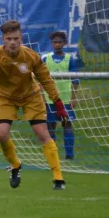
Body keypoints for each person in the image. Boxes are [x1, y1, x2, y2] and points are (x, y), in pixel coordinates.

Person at [0, 20, 69, 190]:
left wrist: (58, 103)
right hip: (5, 98)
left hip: (30, 96)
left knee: (42, 134)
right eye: (9, 38)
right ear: (3, 38)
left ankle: (58, 179)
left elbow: (46, 80)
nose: (12, 42)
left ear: (21, 38)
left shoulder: (31, 56)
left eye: (16, 38)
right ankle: (15, 165)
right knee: (1, 135)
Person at [41, 31, 80, 160]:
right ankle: (52, 153)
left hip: (65, 99)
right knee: (50, 125)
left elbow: (75, 81)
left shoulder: (70, 59)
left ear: (64, 43)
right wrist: (41, 96)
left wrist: (74, 98)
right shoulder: (46, 58)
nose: (57, 44)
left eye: (59, 42)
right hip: (49, 99)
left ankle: (69, 155)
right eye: (54, 42)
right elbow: (41, 79)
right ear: (52, 44)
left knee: (67, 124)